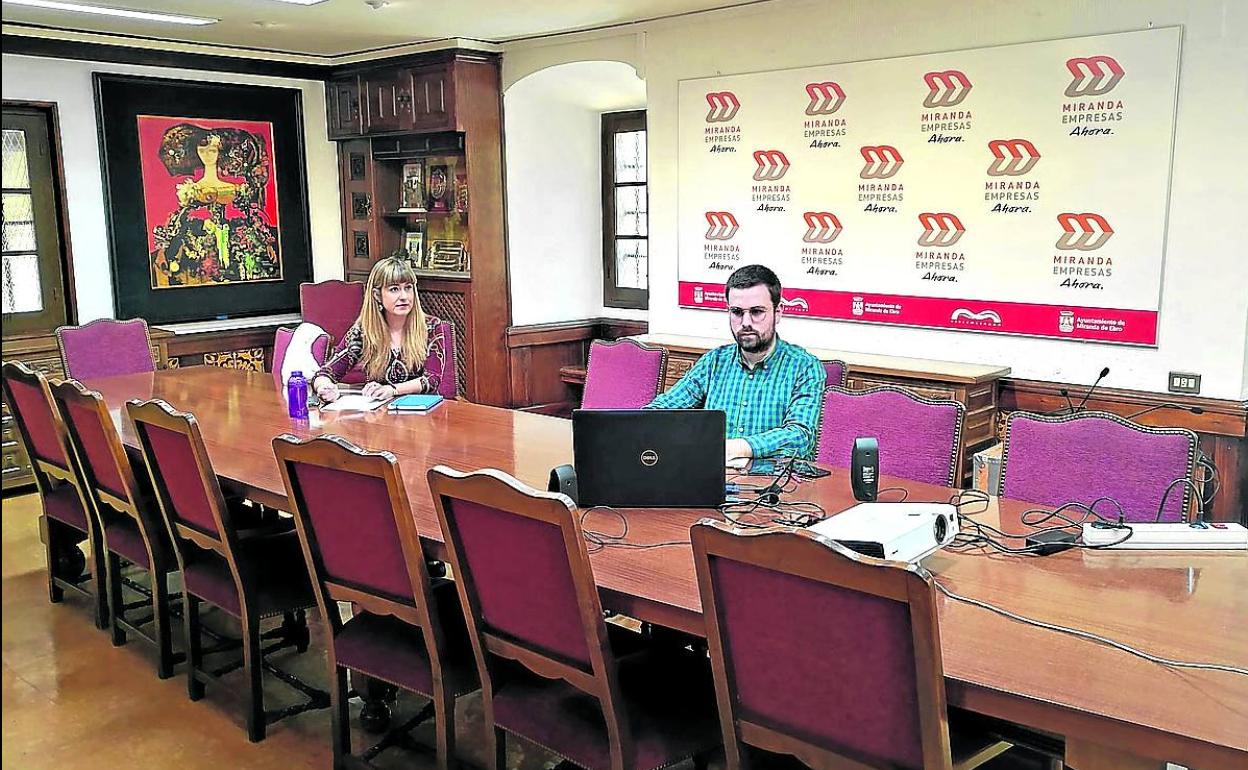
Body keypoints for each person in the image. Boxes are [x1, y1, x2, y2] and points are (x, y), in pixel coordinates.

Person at [647, 264, 825, 464]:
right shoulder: (714, 362)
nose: (746, 322)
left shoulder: (805, 367)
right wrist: (636, 424)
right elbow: (666, 407)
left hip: (774, 486)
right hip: (711, 479)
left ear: (778, 312)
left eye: (757, 312)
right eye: (737, 312)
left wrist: (740, 447)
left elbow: (801, 437)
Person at [312, 257, 448, 402]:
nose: (404, 296)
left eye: (408, 288)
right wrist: (325, 387)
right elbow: (325, 373)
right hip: (380, 414)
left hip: (423, 413)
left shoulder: (431, 326)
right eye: (394, 289)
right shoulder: (363, 331)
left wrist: (393, 390)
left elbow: (432, 379)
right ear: (377, 295)